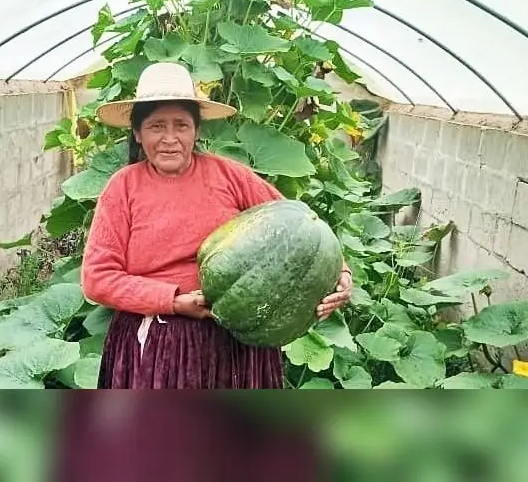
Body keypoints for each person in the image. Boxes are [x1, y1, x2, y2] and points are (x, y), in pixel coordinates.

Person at [80, 62, 352, 390]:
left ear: (196, 129)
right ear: (137, 133)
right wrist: (172, 299)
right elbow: (98, 279)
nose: (169, 139)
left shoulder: (229, 175)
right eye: (156, 126)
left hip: (235, 341)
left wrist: (341, 276)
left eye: (181, 125)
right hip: (154, 344)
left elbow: (301, 225)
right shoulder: (122, 187)